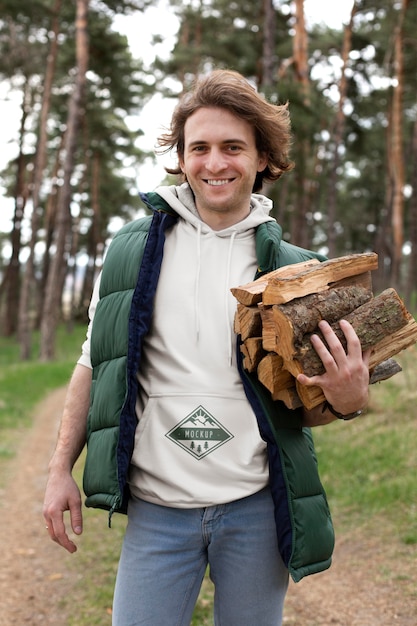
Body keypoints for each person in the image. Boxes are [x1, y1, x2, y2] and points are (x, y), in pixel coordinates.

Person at [43, 69, 370, 626]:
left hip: (256, 512)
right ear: (181, 156)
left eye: (233, 147)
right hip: (157, 512)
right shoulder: (130, 251)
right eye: (200, 148)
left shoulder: (298, 270)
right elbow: (94, 365)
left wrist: (346, 397)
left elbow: (308, 403)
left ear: (263, 158)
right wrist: (58, 470)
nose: (214, 164)